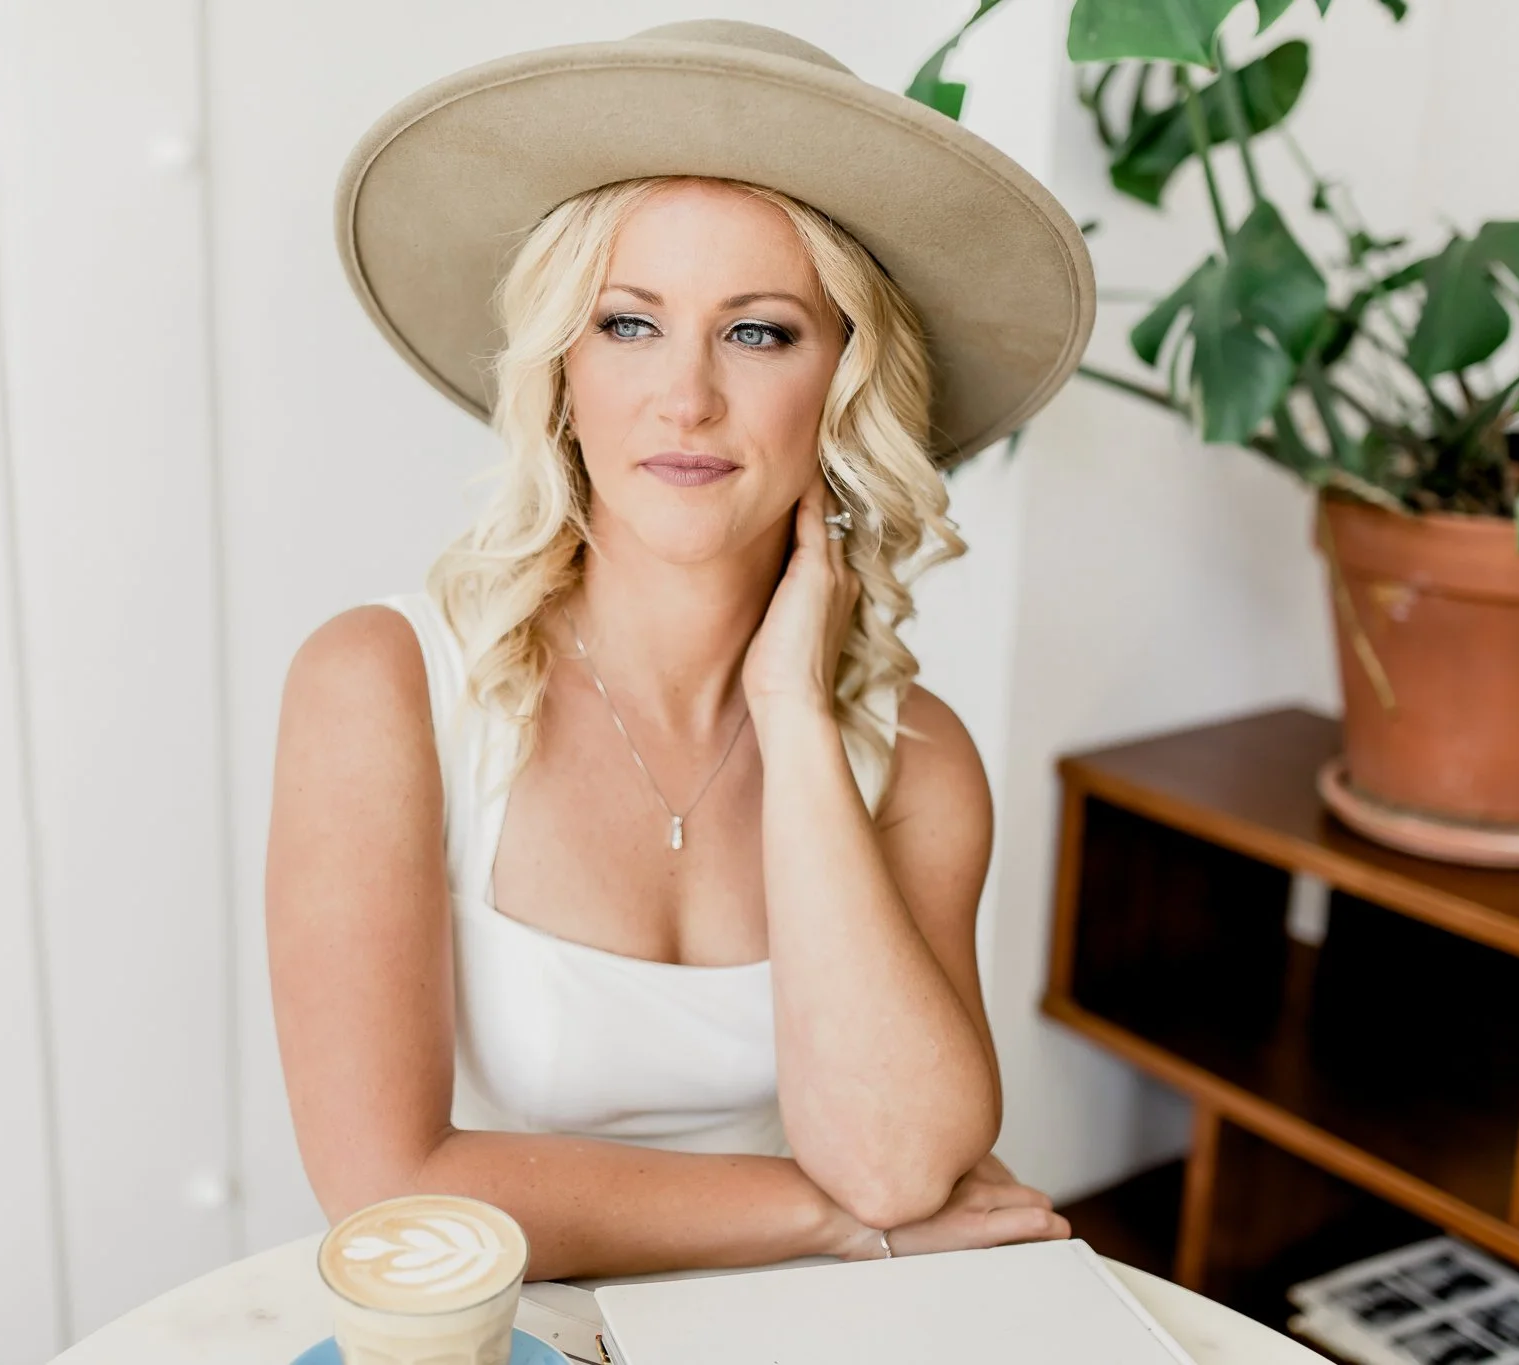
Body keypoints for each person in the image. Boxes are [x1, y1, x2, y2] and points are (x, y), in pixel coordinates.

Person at [268, 18, 1095, 1283]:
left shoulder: (912, 760)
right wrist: (827, 1221)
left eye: (758, 332)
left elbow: (895, 1164)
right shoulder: (379, 686)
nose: (687, 397)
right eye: (627, 325)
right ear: (559, 374)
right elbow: (386, 1186)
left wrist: (794, 711)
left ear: (844, 386)